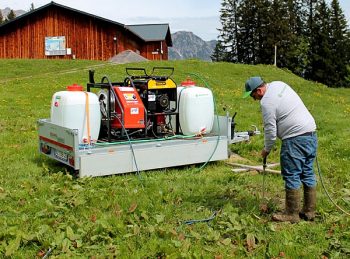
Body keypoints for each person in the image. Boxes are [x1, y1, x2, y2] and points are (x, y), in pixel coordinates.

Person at [243, 76, 318, 223]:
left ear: (259, 90)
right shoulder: (279, 84)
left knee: (292, 174)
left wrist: (266, 149)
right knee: (307, 172)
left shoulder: (267, 102)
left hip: (295, 138)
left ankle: (291, 214)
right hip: (310, 133)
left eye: (253, 95)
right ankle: (309, 212)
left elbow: (270, 131)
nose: (254, 99)